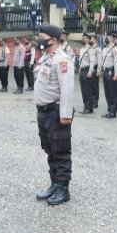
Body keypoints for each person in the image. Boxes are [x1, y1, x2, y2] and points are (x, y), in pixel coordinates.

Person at [33, 23, 75, 206]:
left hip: (56, 113)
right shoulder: (45, 58)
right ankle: (54, 184)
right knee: (50, 150)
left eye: (42, 36)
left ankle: (63, 188)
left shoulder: (62, 60)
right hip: (44, 113)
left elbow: (67, 89)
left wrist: (65, 115)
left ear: (53, 40)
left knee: (61, 151)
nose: (39, 39)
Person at [77, 32, 96, 114]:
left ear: (88, 40)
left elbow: (92, 61)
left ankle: (89, 107)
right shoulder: (82, 49)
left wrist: (90, 71)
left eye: (84, 38)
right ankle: (86, 106)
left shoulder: (90, 49)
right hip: (82, 70)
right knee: (83, 90)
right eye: (82, 38)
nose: (83, 40)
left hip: (87, 70)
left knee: (88, 90)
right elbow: (80, 62)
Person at [100, 32, 117, 118]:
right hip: (105, 72)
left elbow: (116, 63)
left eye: (108, 36)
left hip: (111, 71)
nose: (106, 38)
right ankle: (109, 109)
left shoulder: (115, 49)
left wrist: (116, 74)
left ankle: (113, 111)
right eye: (106, 36)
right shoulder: (104, 49)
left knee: (112, 92)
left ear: (112, 38)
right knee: (107, 92)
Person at [90, 33, 101, 108]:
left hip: (95, 68)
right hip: (90, 68)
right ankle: (91, 101)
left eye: (92, 38)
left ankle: (95, 102)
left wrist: (99, 70)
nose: (91, 40)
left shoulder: (98, 49)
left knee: (95, 86)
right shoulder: (90, 48)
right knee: (90, 86)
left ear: (95, 40)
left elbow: (99, 60)